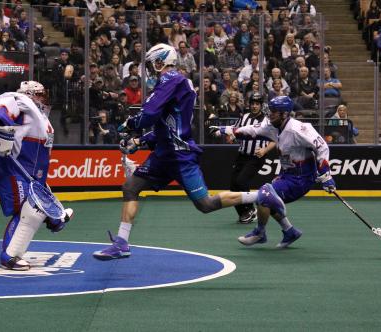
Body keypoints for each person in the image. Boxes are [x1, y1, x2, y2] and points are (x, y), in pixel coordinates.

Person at [92, 44, 265, 260]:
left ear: (159, 61)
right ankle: (122, 243)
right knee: (130, 187)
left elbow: (150, 114)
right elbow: (166, 126)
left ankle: (261, 195)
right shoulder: (174, 84)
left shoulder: (171, 79)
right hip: (164, 154)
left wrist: (130, 123)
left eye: (151, 63)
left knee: (205, 204)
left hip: (179, 155)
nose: (149, 68)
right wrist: (140, 140)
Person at [213, 96, 336, 248]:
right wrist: (228, 130)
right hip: (287, 174)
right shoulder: (272, 125)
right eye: (270, 110)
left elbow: (322, 147)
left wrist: (325, 175)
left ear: (285, 114)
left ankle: (259, 232)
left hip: (301, 179)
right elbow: (252, 130)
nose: (270, 114)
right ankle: (290, 231)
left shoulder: (299, 129)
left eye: (274, 111)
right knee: (266, 200)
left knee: (265, 195)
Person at [0, 81, 73, 271]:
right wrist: (2, 131)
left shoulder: (41, 116)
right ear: (30, 93)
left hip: (32, 173)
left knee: (38, 204)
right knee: (30, 209)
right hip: (13, 167)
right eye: (40, 93)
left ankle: (55, 218)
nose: (44, 97)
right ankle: (9, 256)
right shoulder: (19, 98)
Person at [228, 94, 277, 223]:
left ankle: (251, 209)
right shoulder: (244, 117)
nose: (254, 106)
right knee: (233, 186)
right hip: (242, 156)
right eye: (253, 103)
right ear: (249, 104)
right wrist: (232, 136)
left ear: (261, 105)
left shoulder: (266, 121)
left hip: (256, 157)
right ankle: (244, 213)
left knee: (241, 181)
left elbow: (274, 139)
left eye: (257, 103)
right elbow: (237, 130)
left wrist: (264, 150)